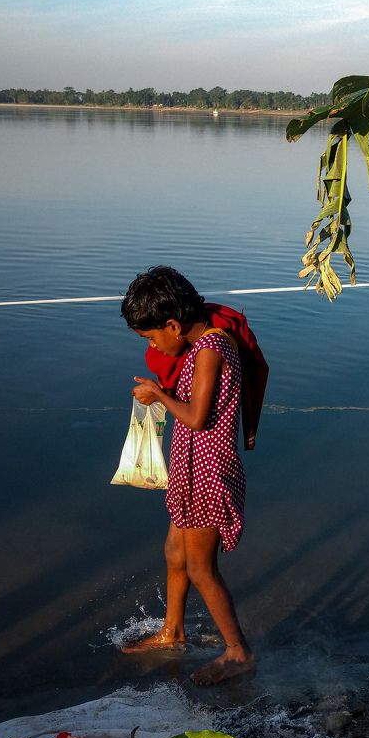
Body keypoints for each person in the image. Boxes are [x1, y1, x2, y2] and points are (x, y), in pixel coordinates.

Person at [119, 266, 258, 685]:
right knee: (174, 553)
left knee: (200, 568)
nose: (154, 346)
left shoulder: (211, 348)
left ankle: (238, 653)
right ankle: (173, 631)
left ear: (173, 325)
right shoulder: (203, 344)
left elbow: (197, 417)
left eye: (151, 338)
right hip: (191, 466)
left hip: (208, 472)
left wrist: (159, 394)